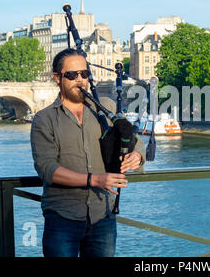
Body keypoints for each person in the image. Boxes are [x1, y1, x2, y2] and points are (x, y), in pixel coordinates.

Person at [30, 48, 146, 257]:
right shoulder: (44, 119)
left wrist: (136, 155)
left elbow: (132, 138)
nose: (80, 80)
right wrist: (95, 180)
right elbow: (47, 169)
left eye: (84, 74)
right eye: (72, 75)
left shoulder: (106, 108)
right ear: (57, 78)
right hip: (62, 217)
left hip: (103, 215)